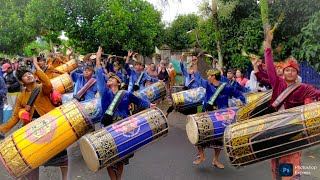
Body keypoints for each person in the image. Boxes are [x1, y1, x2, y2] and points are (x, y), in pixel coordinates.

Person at [262, 26, 320, 180]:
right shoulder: (277, 82)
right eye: (287, 70)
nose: (289, 72)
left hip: (293, 130)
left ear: (296, 73)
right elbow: (269, 66)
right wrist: (268, 44)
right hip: (274, 127)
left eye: (292, 70)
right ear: (284, 72)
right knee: (276, 164)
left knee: (291, 165)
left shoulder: (304, 88)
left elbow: (318, 96)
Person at [0, 56, 68, 180]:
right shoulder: (21, 97)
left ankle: (65, 178)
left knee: (61, 155)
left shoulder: (42, 88)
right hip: (33, 129)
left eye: (29, 73)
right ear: (22, 81)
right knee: (32, 157)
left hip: (50, 124)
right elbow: (15, 117)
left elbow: (48, 83)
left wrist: (37, 68)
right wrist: (2, 130)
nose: (29, 76)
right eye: (25, 75)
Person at [95, 47, 155, 180]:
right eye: (108, 78)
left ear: (118, 82)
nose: (109, 79)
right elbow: (99, 76)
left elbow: (140, 101)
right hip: (108, 127)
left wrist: (150, 105)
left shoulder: (126, 94)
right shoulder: (105, 93)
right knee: (110, 157)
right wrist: (98, 59)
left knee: (121, 157)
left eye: (113, 78)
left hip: (123, 126)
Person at [192, 59, 246, 168]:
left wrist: (241, 103)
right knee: (198, 133)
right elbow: (197, 78)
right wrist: (195, 64)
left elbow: (239, 95)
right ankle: (201, 155)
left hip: (221, 114)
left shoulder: (226, 87)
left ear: (214, 77)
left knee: (219, 138)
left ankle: (215, 160)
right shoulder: (207, 84)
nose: (207, 78)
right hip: (207, 112)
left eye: (209, 76)